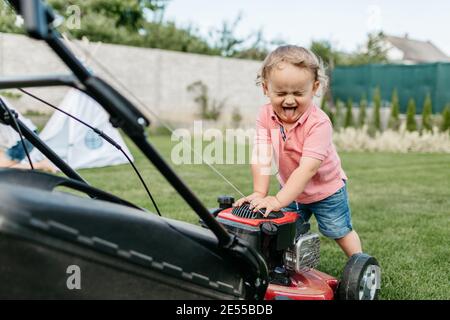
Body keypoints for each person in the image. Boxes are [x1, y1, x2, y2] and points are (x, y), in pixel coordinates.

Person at [234, 45, 362, 257]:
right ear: (266, 88)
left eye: (298, 93)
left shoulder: (319, 123)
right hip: (291, 190)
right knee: (283, 229)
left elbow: (308, 169)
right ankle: (285, 265)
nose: (290, 100)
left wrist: (278, 200)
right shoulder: (265, 115)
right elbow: (261, 154)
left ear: (315, 87)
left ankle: (361, 264)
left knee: (338, 230)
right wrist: (260, 192)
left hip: (326, 191)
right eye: (281, 93)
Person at [0, 98, 56, 173]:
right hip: (24, 134)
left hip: (20, 138)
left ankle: (42, 165)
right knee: (3, 166)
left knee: (3, 168)